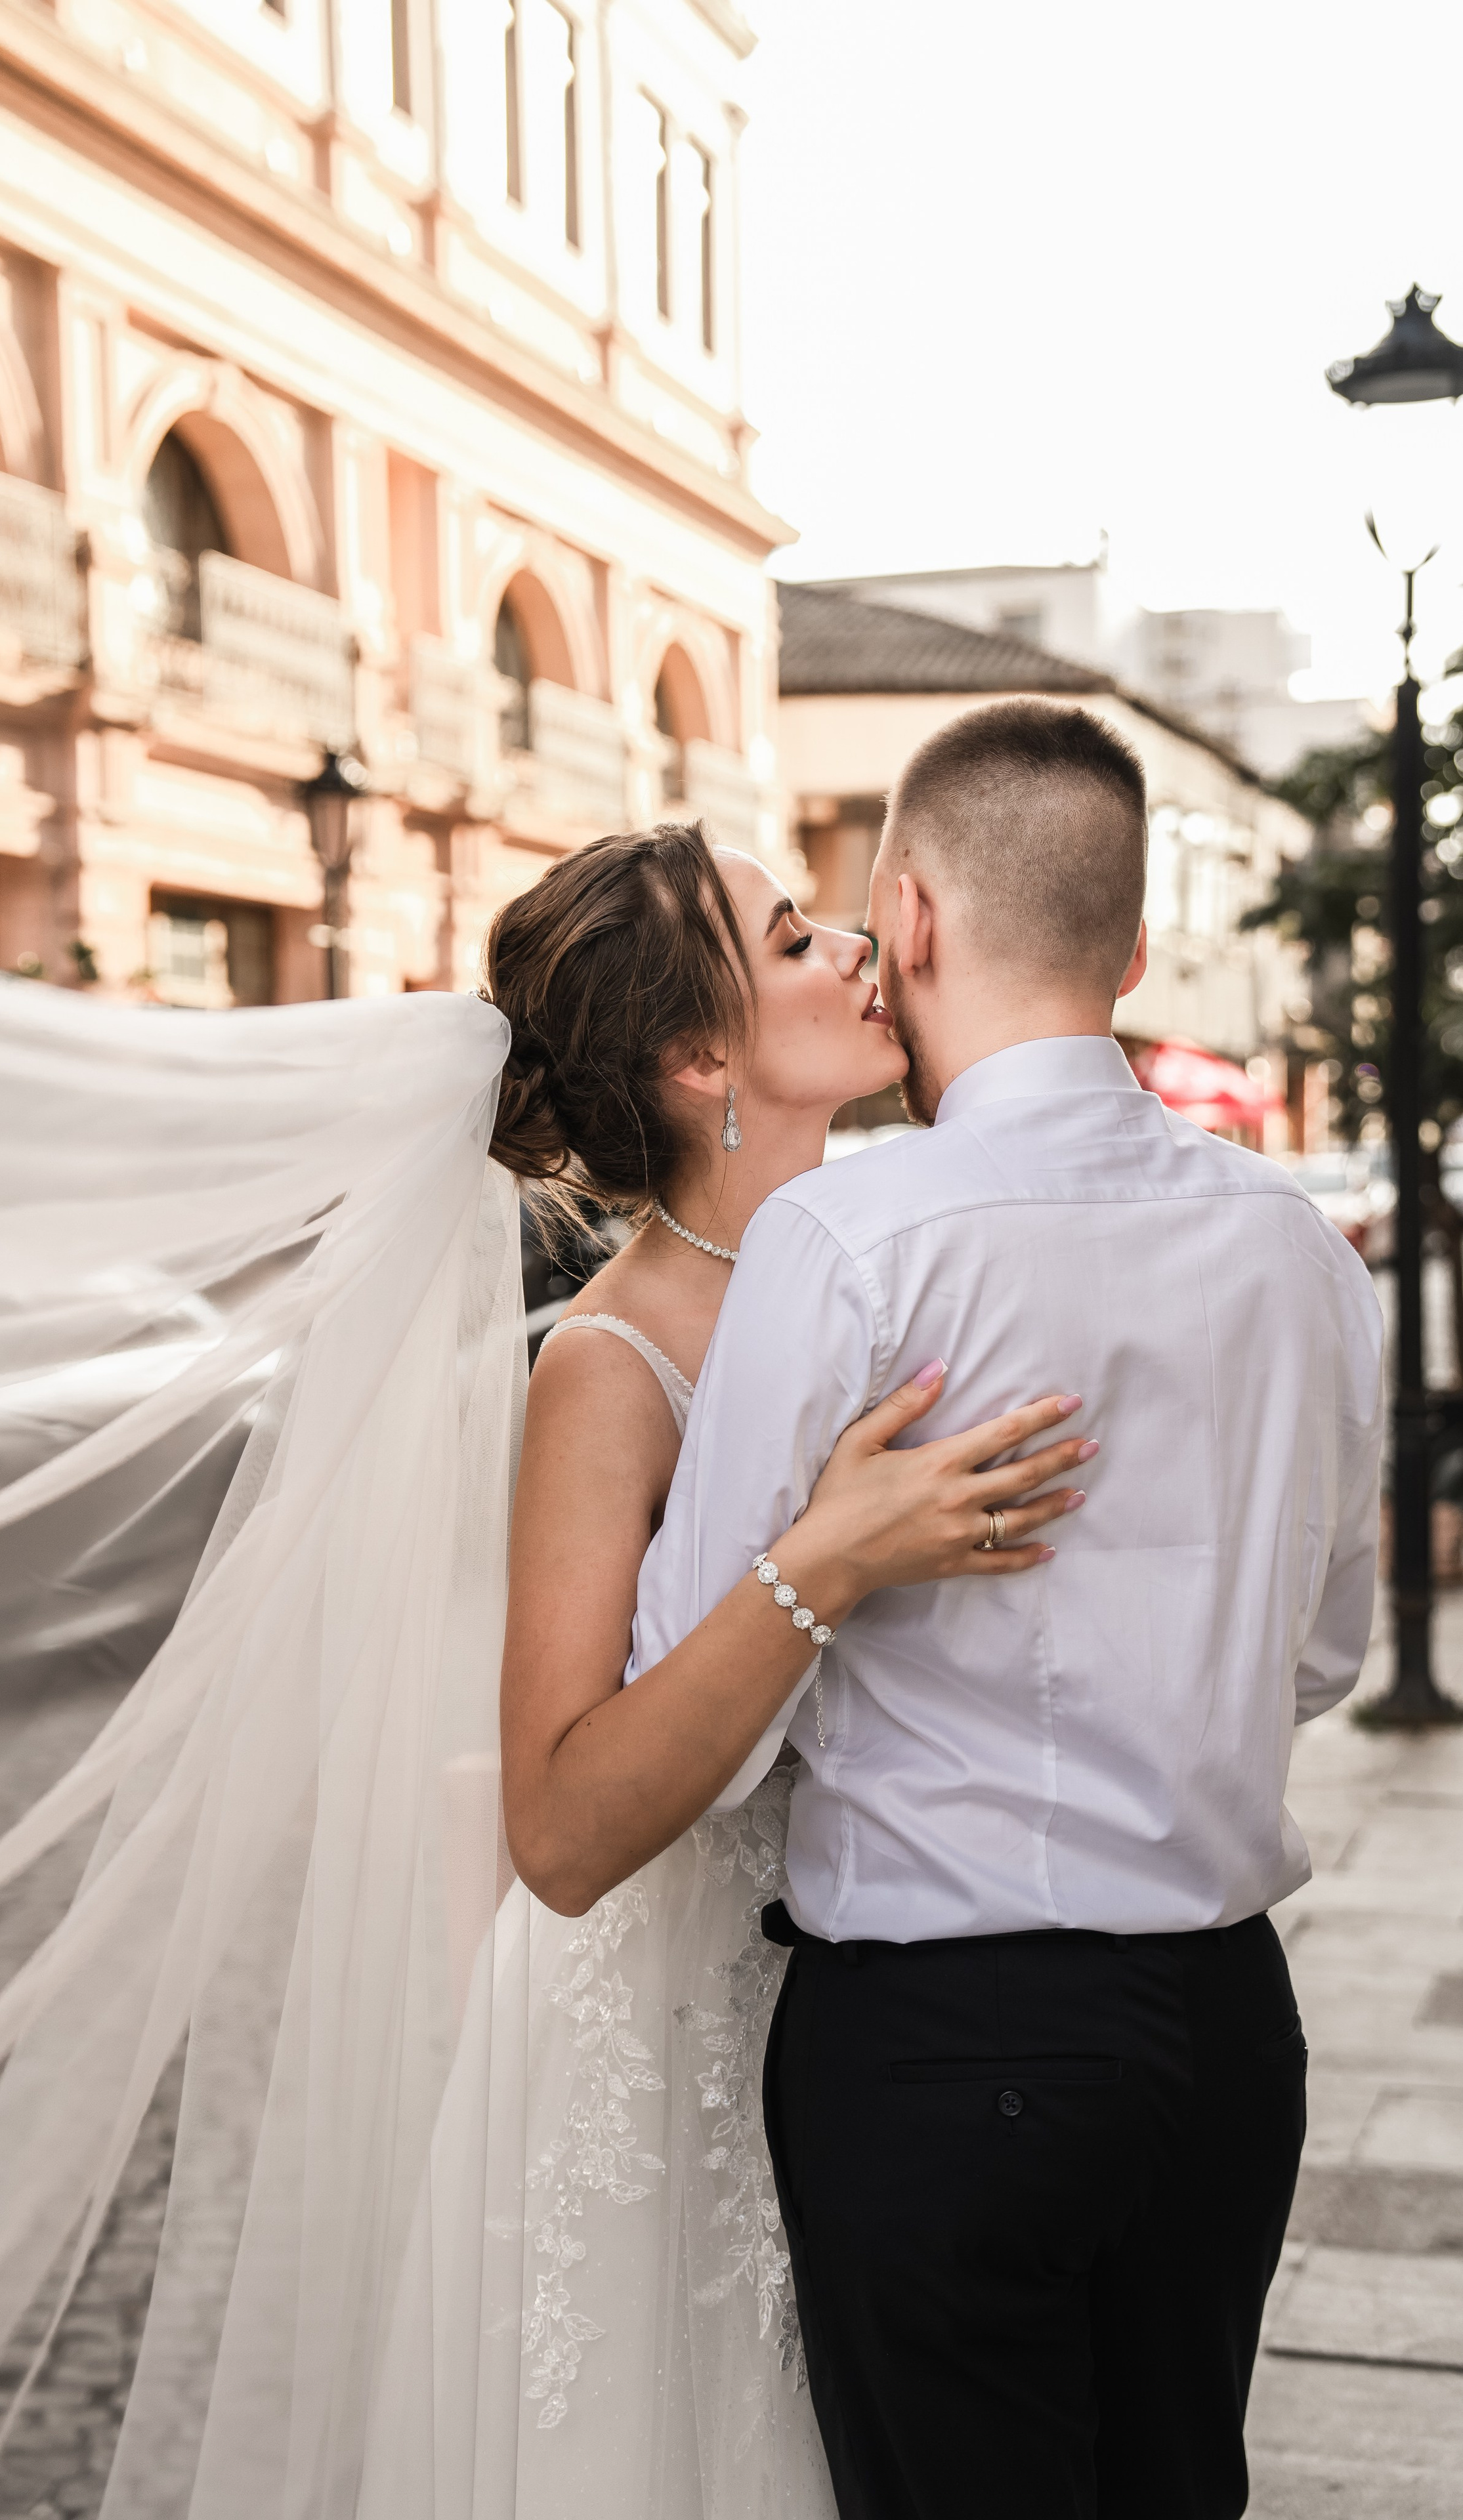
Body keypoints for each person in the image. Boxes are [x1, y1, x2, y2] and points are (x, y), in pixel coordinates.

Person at [0, 822, 1084, 2520]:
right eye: (792, 939)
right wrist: (830, 1555)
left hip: (871, 2031)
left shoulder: (879, 1283)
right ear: (706, 1060)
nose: (857, 949)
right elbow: (554, 1816)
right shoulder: (610, 1371)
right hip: (673, 2039)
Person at [628, 701, 1386, 2520]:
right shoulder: (1301, 1248)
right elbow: (1327, 1658)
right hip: (1222, 2039)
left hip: (944, 2049)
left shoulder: (851, 1243)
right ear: (1133, 948)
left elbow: (688, 1709)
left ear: (911, 914)